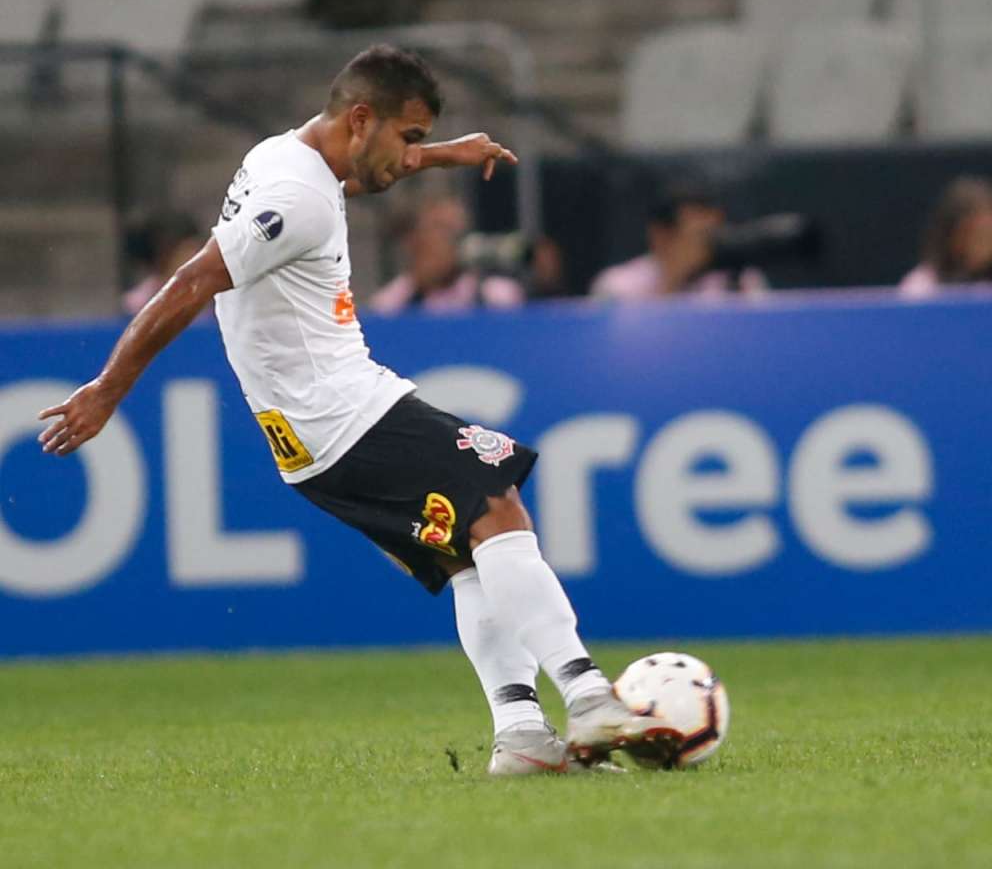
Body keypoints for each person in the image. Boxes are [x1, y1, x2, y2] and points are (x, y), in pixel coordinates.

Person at [37, 45, 667, 775]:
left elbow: (357, 173)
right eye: (410, 136)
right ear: (362, 119)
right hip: (343, 413)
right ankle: (588, 698)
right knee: (497, 504)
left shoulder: (284, 155)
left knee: (469, 556)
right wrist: (107, 389)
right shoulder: (298, 198)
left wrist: (441, 155)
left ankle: (522, 733)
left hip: (308, 443)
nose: (410, 154)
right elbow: (190, 283)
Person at [590, 182, 767, 301]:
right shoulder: (616, 285)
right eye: (700, 235)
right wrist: (674, 279)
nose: (708, 244)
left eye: (715, 233)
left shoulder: (741, 281)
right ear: (660, 236)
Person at [369, 192, 524, 313]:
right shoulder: (389, 306)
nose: (453, 240)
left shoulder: (499, 298)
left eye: (457, 231)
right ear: (413, 239)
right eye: (442, 229)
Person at [898, 176, 992, 297]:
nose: (986, 244)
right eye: (978, 234)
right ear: (951, 234)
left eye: (990, 235)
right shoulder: (922, 287)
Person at [122, 210, 203, 316]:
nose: (196, 259)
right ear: (165, 254)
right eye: (186, 253)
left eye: (198, 251)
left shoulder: (209, 298)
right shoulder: (138, 304)